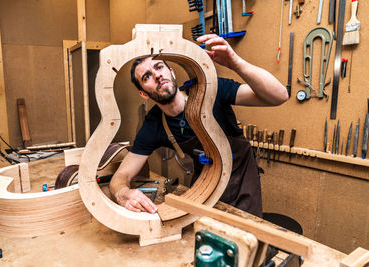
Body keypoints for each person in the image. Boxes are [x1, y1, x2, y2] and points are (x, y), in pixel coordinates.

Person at [109, 34, 288, 217]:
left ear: (171, 71)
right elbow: (120, 177)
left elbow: (280, 95)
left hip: (242, 181)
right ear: (143, 94)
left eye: (159, 67)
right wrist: (124, 193)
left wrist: (235, 63)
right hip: (205, 187)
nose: (156, 75)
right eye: (147, 76)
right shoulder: (154, 124)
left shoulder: (210, 89)